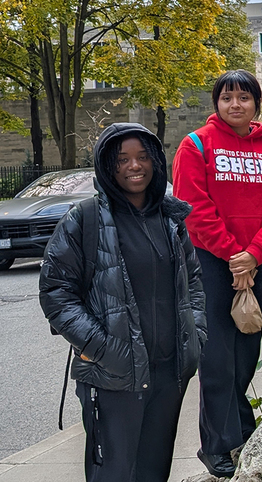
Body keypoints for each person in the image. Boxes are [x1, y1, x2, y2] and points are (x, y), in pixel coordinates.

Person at [39, 123, 207, 481]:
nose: (135, 166)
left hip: (168, 372)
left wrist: (196, 335)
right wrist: (102, 347)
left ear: (156, 162)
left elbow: (192, 281)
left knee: (153, 470)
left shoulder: (170, 217)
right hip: (113, 376)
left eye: (143, 157)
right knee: (114, 473)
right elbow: (56, 292)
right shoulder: (83, 219)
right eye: (122, 159)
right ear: (107, 166)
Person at [172, 69, 262, 477]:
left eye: (244, 97)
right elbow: (193, 207)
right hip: (209, 260)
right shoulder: (195, 147)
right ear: (216, 104)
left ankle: (241, 431)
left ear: (256, 104)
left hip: (259, 262)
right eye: (227, 98)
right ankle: (219, 446)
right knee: (217, 356)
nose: (235, 104)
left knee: (246, 351)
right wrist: (232, 255)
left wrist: (254, 255)